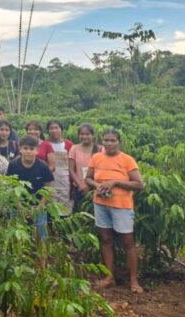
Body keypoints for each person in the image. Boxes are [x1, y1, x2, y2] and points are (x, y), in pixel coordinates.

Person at [85, 129, 144, 294]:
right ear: (102, 142)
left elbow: (139, 185)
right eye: (106, 140)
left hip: (122, 205)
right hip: (101, 204)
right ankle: (109, 277)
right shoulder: (96, 157)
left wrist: (116, 182)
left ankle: (133, 280)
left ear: (119, 142)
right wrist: (98, 186)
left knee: (128, 241)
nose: (109, 143)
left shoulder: (127, 160)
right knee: (106, 239)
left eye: (113, 140)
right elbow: (88, 178)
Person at [6, 136, 54, 242]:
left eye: (32, 149)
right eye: (26, 148)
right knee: (16, 238)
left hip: (38, 205)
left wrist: (39, 208)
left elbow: (48, 188)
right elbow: (11, 187)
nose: (28, 151)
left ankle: (42, 257)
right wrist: (20, 207)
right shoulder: (13, 165)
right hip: (17, 205)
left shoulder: (43, 166)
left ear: (37, 151)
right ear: (20, 149)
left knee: (41, 238)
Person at [37, 120, 74, 214]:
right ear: (48, 131)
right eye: (51, 128)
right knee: (51, 210)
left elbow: (73, 165)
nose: (54, 130)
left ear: (61, 129)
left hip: (65, 182)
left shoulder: (69, 145)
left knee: (65, 211)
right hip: (49, 181)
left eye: (56, 128)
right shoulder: (45, 144)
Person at [68, 123, 102, 212]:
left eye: (87, 134)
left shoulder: (100, 149)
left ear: (93, 135)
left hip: (95, 187)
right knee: (80, 212)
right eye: (82, 134)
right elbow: (71, 170)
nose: (84, 136)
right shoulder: (74, 148)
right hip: (79, 188)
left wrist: (92, 185)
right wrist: (81, 185)